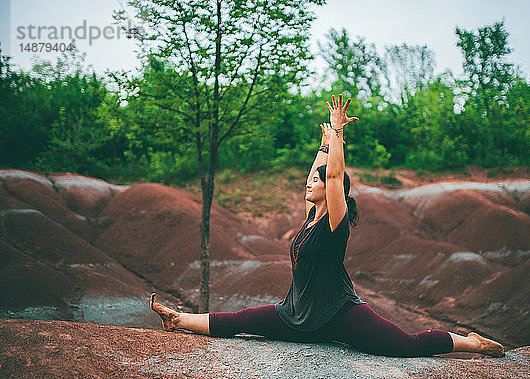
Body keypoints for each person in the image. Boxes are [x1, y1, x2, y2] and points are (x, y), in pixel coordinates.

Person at [150, 94, 505, 358]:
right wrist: (323, 144)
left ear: (333, 192)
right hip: (296, 313)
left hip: (338, 313)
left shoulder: (336, 222)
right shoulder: (310, 217)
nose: (310, 185)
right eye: (312, 182)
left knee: (405, 346)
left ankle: (469, 341)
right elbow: (319, 173)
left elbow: (334, 175)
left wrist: (337, 132)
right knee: (244, 319)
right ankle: (178, 320)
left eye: (316, 184)